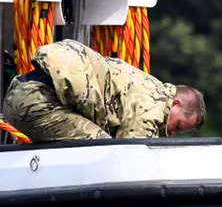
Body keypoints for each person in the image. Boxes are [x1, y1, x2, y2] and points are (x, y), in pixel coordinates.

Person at [2, 40, 205, 141]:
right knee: (103, 150)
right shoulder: (153, 106)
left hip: (19, 94)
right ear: (175, 103)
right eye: (178, 126)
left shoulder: (148, 85)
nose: (172, 134)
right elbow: (132, 155)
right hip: (39, 104)